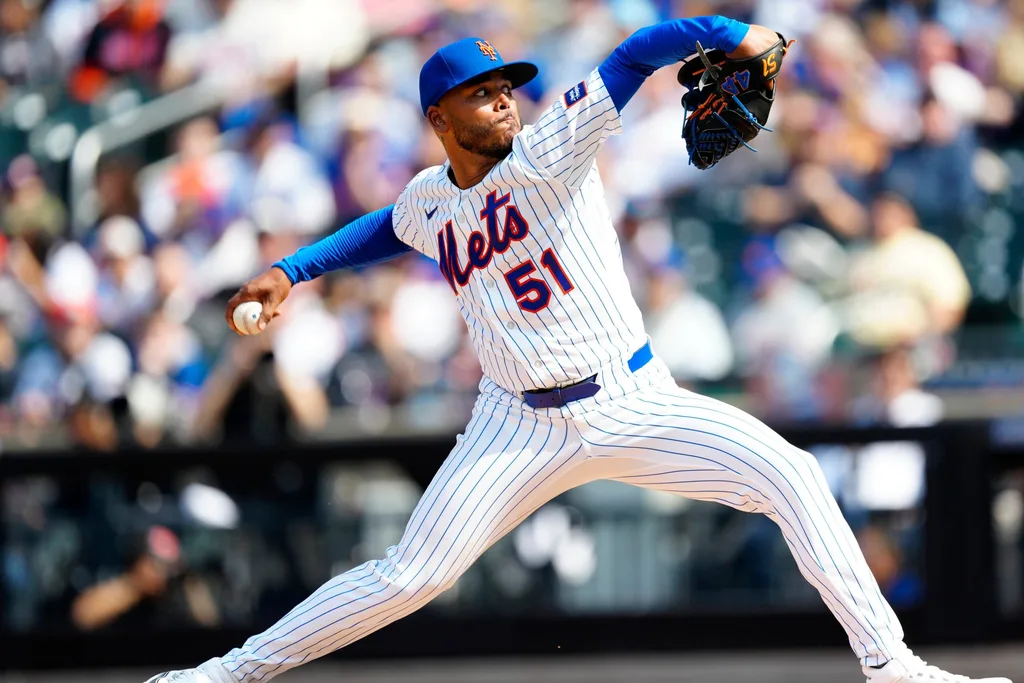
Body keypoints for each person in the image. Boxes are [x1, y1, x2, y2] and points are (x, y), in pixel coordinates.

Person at [145, 17, 1012, 683]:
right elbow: (385, 225)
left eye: (506, 87)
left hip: (631, 399)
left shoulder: (549, 149)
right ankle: (226, 673)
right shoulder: (429, 198)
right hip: (514, 425)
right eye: (482, 93)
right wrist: (290, 270)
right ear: (439, 117)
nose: (503, 100)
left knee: (794, 475)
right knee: (409, 575)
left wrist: (729, 34)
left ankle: (892, 667)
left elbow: (636, 53)